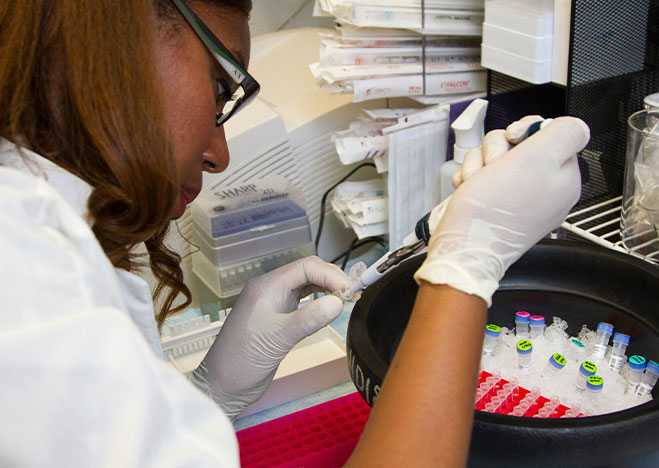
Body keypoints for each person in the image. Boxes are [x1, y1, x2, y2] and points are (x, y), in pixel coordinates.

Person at [0, 1, 590, 467]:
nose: (218, 155)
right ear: (113, 30)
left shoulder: (39, 232)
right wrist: (468, 265)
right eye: (219, 90)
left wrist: (204, 399)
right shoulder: (27, 283)